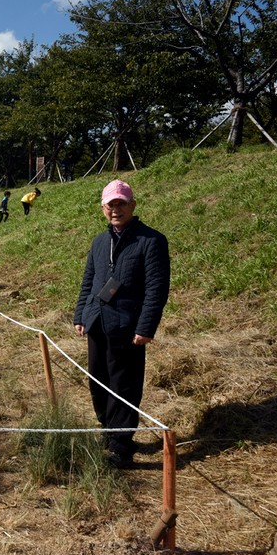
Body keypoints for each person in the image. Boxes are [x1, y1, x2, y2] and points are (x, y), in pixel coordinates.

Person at [73, 180, 170, 468]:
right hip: (96, 322)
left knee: (123, 386)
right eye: (110, 204)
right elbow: (89, 281)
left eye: (121, 204)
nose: (116, 209)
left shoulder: (151, 241)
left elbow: (156, 288)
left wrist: (145, 327)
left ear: (133, 205)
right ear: (103, 208)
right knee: (98, 381)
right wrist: (81, 315)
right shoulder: (99, 242)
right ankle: (107, 432)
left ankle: (121, 446)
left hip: (128, 327)